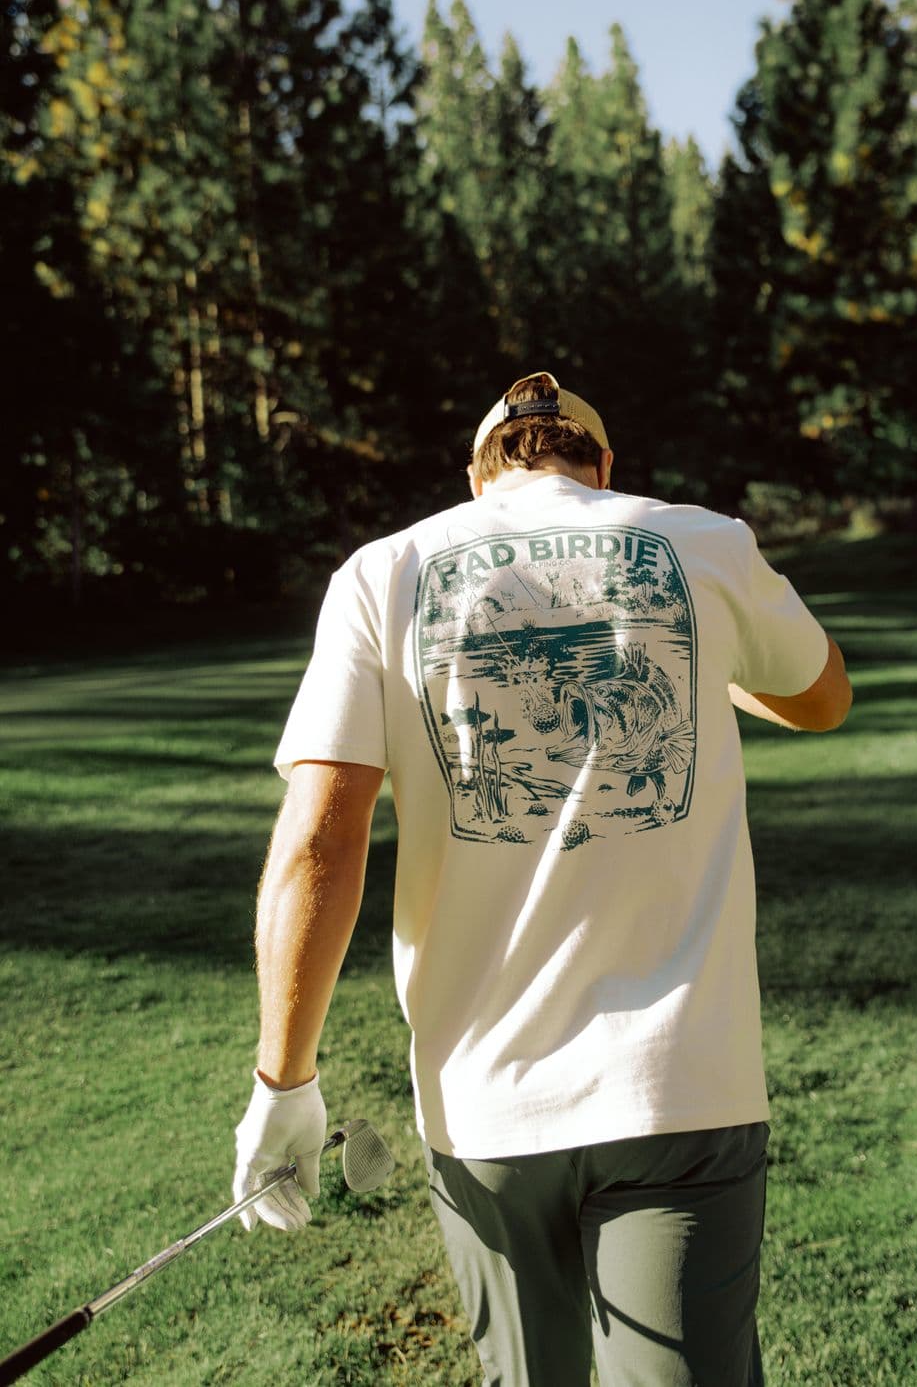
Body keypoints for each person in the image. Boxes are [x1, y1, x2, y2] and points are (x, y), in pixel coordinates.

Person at [232, 372, 852, 1386]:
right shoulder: (701, 541)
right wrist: (708, 643)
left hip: (486, 1104)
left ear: (477, 479)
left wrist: (283, 1084)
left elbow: (317, 842)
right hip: (682, 1085)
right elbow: (823, 698)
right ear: (604, 466)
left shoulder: (382, 574)